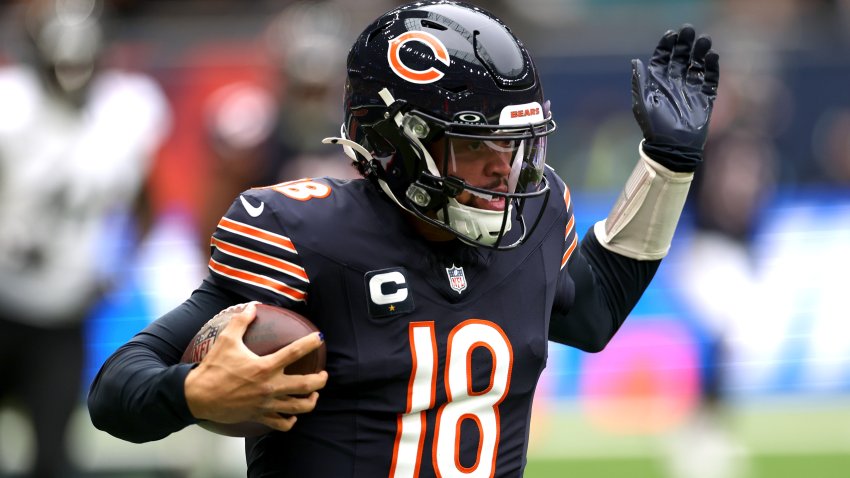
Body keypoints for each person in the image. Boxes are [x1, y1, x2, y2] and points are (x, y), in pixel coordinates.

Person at [87, 2, 719, 476]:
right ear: (395, 145)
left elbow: (594, 312)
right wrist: (193, 392)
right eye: (476, 145)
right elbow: (116, 387)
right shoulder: (307, 234)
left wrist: (667, 165)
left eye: (517, 145)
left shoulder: (535, 217)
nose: (506, 170)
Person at [0, 0, 170, 476]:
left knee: (53, 457)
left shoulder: (125, 111)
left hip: (63, 314)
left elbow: (145, 201)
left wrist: (120, 266)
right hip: (3, 299)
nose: (71, 74)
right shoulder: (11, 107)